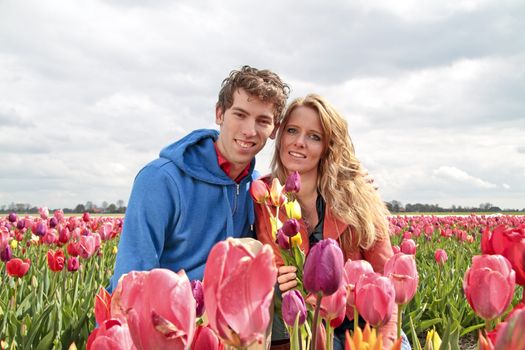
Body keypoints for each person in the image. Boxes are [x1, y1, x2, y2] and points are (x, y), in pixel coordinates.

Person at [110, 65, 290, 292]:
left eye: (263, 121)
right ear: (219, 114)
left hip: (225, 320)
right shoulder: (160, 180)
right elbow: (129, 281)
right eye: (240, 114)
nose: (249, 130)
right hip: (165, 318)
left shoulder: (257, 190)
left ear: (274, 130)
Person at [255, 94, 410, 350]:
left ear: (329, 146)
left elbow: (386, 281)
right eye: (292, 130)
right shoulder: (265, 199)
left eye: (314, 136)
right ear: (280, 136)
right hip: (310, 328)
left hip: (366, 326)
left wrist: (386, 342)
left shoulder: (358, 198)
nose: (299, 142)